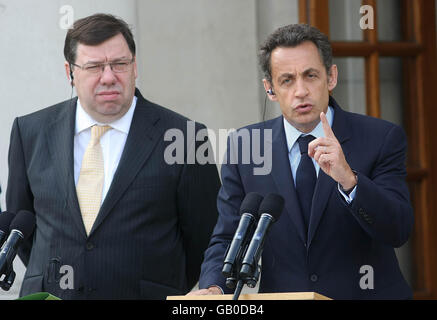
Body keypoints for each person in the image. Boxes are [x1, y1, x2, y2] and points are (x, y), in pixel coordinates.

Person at [6, 13, 220, 299]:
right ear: (70, 72)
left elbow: (207, 237)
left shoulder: (186, 137)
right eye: (94, 67)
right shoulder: (29, 131)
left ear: (135, 67)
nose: (109, 77)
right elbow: (22, 226)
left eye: (119, 64)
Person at [192, 24, 414, 299]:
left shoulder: (381, 137)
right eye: (287, 80)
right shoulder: (245, 146)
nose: (300, 91)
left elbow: (398, 229)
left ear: (331, 77)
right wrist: (214, 286)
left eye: (310, 76)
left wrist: (350, 181)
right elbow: (228, 235)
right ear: (270, 89)